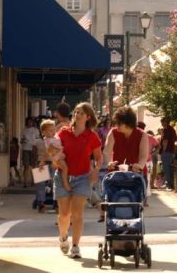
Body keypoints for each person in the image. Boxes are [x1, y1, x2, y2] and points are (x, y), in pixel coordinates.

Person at [54, 102, 102, 259]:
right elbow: (53, 151)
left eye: (81, 113)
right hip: (63, 176)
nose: (77, 115)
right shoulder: (63, 133)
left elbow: (98, 158)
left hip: (82, 177)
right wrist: (55, 158)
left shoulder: (92, 136)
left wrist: (95, 171)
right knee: (64, 214)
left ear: (88, 117)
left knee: (77, 214)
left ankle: (75, 246)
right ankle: (63, 237)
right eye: (76, 112)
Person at [104, 107, 149, 175]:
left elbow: (144, 155)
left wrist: (140, 166)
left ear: (128, 123)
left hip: (136, 175)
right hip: (116, 174)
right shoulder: (113, 132)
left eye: (119, 123)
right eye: (116, 122)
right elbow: (107, 151)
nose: (116, 125)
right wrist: (108, 163)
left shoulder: (142, 134)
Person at [39, 119, 71, 191]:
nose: (53, 132)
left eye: (54, 130)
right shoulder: (48, 140)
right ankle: (65, 183)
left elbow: (58, 128)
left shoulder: (53, 137)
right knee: (65, 169)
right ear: (44, 132)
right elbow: (50, 150)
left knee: (48, 179)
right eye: (50, 131)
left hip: (54, 159)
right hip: (55, 158)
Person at [20, 117, 39, 188]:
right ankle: (25, 182)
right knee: (26, 166)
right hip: (25, 149)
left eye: (31, 122)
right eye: (29, 122)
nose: (30, 123)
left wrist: (36, 148)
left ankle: (33, 181)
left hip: (33, 149)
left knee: (33, 166)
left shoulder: (36, 130)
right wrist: (22, 141)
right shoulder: (24, 130)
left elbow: (38, 140)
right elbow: (21, 140)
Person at [159, 117, 177, 190]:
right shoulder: (172, 129)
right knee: (169, 167)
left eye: (163, 122)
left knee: (166, 168)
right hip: (171, 151)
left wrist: (163, 150)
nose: (162, 124)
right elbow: (175, 139)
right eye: (162, 122)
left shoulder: (166, 130)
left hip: (166, 151)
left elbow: (165, 141)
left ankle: (168, 184)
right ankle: (171, 183)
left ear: (166, 122)